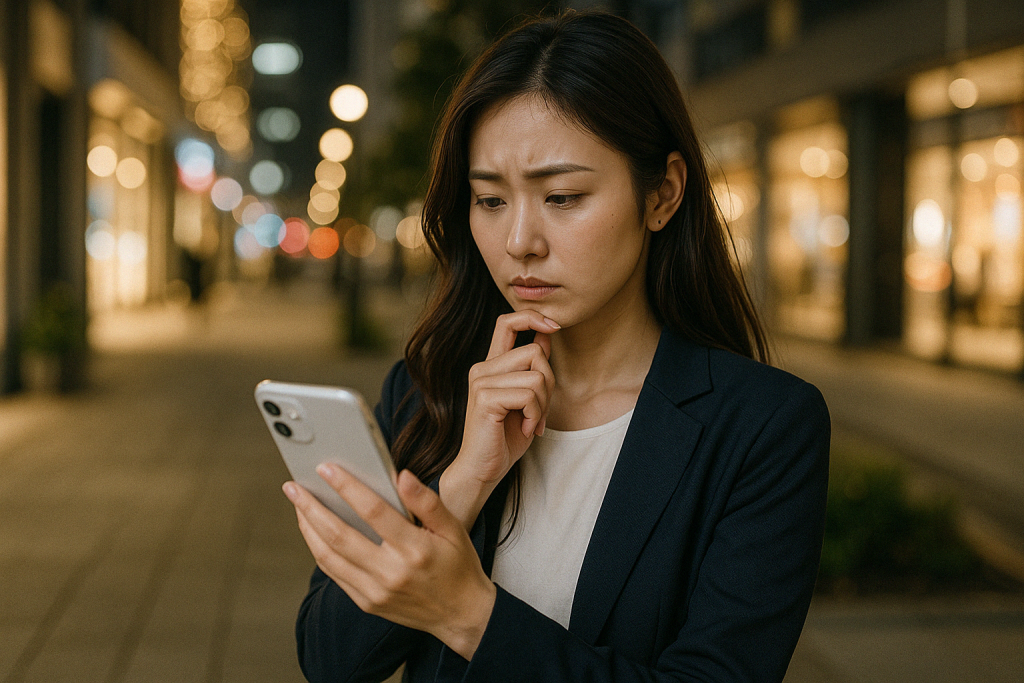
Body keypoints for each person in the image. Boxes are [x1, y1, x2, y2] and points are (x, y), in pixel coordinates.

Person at [282, 9, 830, 683]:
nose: (520, 242)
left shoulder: (761, 427)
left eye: (563, 197)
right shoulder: (430, 387)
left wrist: (470, 615)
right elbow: (330, 659)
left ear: (662, 194)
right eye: (489, 201)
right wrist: (460, 487)